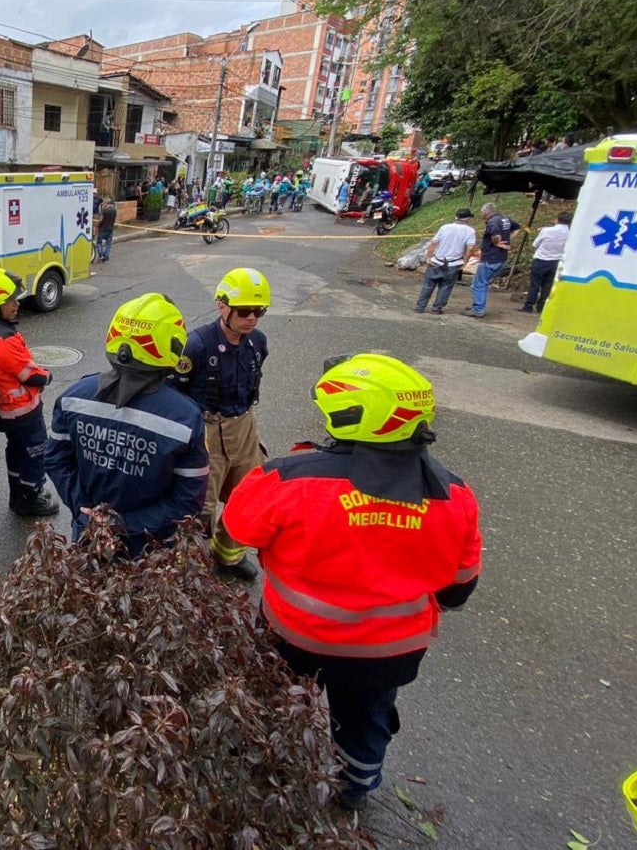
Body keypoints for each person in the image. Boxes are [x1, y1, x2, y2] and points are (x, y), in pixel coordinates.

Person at [224, 353, 482, 810]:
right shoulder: (454, 494)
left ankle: (275, 775)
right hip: (387, 654)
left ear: (346, 416)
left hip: (295, 635)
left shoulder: (286, 479)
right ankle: (354, 790)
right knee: (366, 720)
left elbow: (237, 530)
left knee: (281, 706)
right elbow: (459, 588)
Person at [45, 293, 209, 558]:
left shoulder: (73, 396)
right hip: (149, 547)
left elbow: (56, 461)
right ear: (172, 347)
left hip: (88, 534)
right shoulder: (184, 418)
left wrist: (86, 512)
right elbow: (188, 501)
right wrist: (121, 524)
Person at [168, 267, 270, 580]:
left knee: (249, 494)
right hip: (207, 427)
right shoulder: (197, 345)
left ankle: (228, 556)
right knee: (202, 505)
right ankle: (192, 568)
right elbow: (175, 392)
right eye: (244, 311)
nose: (251, 319)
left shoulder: (257, 342)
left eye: (259, 311)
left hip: (243, 424)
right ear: (222, 306)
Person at [0, 268, 60, 518]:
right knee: (36, 451)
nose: (16, 304)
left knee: (16, 450)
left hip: (4, 410)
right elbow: (30, 374)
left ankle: (16, 495)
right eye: (10, 301)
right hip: (22, 411)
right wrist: (48, 375)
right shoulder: (3, 340)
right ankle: (31, 499)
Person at [414, 208, 477, 314]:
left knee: (428, 285)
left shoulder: (445, 227)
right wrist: (465, 262)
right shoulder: (470, 231)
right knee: (446, 287)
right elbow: (470, 249)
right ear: (468, 219)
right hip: (454, 263)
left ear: (456, 217)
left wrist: (429, 257)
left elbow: (433, 243)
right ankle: (437, 308)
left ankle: (420, 307)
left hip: (437, 261)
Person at [464, 202, 519, 318]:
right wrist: (508, 239)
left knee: (479, 284)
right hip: (501, 257)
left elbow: (495, 236)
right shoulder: (505, 219)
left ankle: (478, 308)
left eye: (482, 212)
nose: (481, 214)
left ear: (486, 212)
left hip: (490, 258)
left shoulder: (492, 222)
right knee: (481, 283)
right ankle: (478, 305)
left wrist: (497, 242)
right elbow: (517, 227)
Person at [521, 211, 572, 313]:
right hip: (556, 261)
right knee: (547, 285)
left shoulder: (546, 230)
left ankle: (529, 305)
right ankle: (541, 307)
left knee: (534, 284)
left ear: (557, 220)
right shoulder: (570, 233)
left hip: (541, 259)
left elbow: (535, 244)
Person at [95, 195, 117, 263]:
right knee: (108, 244)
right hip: (110, 229)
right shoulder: (114, 210)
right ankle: (106, 257)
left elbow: (101, 219)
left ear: (106, 203)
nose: (103, 204)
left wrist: (97, 225)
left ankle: (101, 255)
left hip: (102, 229)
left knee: (99, 242)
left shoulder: (104, 210)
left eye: (103, 203)